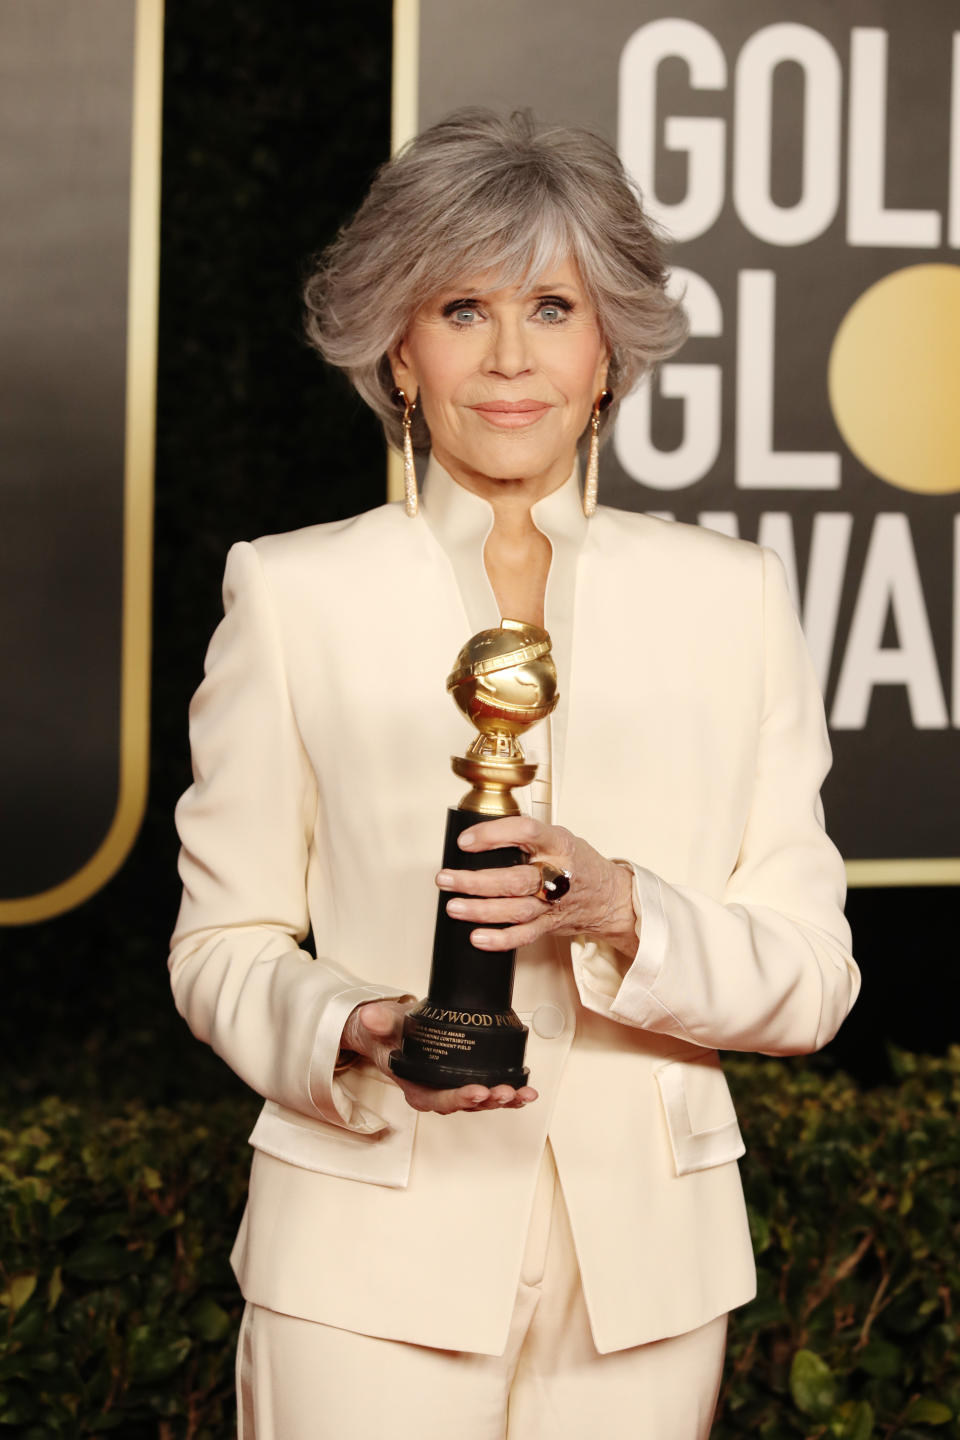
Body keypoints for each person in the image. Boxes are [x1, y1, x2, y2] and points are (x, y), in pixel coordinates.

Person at [169, 109, 859, 1440]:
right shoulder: (291, 591)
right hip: (362, 1259)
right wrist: (355, 1028)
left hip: (645, 1278)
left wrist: (623, 911)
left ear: (608, 351)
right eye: (462, 306)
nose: (509, 357)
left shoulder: (734, 601)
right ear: (400, 349)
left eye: (553, 305)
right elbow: (222, 946)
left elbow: (814, 975)